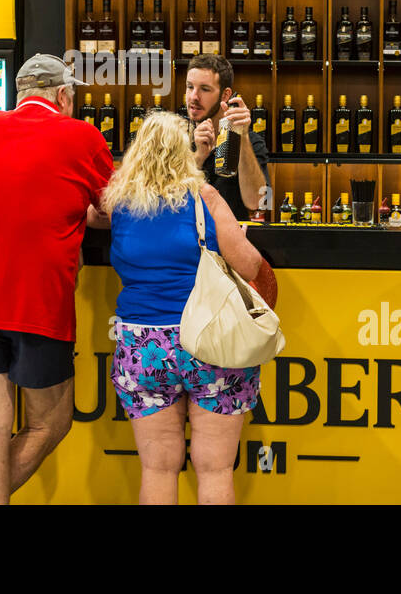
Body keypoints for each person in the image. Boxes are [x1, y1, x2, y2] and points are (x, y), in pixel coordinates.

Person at [0, 54, 113, 504]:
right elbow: (115, 210)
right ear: (63, 96)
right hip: (38, 298)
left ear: (19, 94)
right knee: (49, 423)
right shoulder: (83, 135)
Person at [100, 109, 267, 505]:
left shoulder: (119, 203)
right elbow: (251, 265)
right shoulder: (203, 197)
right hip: (208, 341)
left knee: (157, 469)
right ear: (185, 150)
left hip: (142, 346)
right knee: (214, 468)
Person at [184, 54, 269, 220]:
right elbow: (163, 200)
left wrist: (242, 137)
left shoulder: (252, 142)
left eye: (205, 89)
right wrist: (199, 157)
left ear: (225, 95)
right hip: (186, 243)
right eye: (189, 87)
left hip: (230, 243)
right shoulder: (174, 139)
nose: (194, 96)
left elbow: (258, 203)